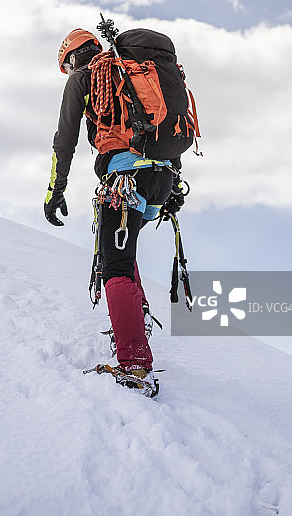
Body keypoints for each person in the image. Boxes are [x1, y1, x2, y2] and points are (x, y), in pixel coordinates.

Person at [44, 27, 186, 395]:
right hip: (162, 177)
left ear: (73, 56)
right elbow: (165, 122)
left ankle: (135, 365)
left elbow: (65, 139)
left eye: (66, 64)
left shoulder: (85, 77)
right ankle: (135, 324)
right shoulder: (132, 72)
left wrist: (55, 190)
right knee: (121, 255)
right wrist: (173, 181)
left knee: (115, 269)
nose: (68, 70)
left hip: (124, 178)